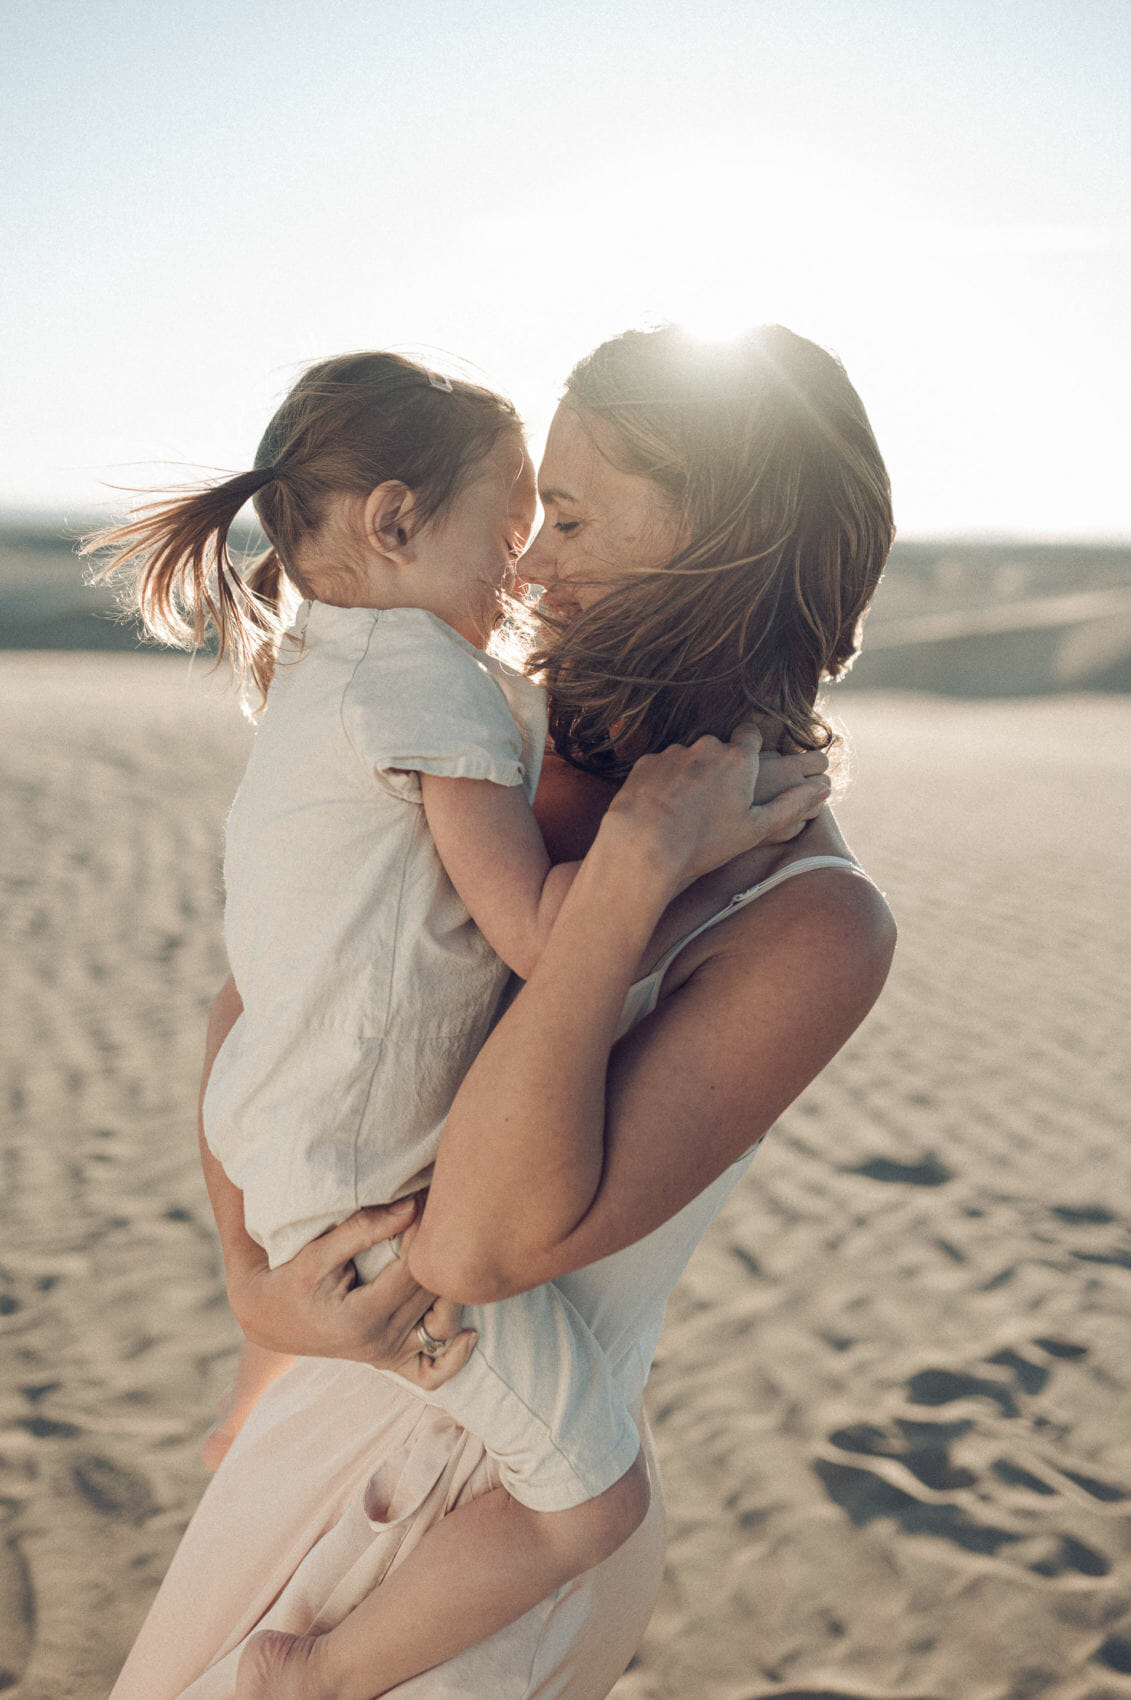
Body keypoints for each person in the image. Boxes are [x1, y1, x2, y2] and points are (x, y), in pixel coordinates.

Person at [109, 323, 896, 1700]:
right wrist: (258, 1296)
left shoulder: (809, 925)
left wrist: (630, 882)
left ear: (723, 540)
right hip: (321, 1417)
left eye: (575, 517)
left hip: (491, 1515)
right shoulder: (484, 742)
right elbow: (263, 1001)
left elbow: (479, 1242)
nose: (529, 566)